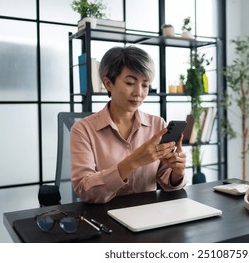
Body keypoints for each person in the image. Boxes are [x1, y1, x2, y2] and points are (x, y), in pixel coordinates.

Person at [70, 46, 187, 203]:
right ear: (108, 83)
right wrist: (134, 161)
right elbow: (85, 190)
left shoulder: (157, 124)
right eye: (130, 82)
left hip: (148, 215)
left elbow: (165, 178)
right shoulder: (82, 130)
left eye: (145, 85)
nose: (139, 92)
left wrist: (176, 173)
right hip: (103, 218)